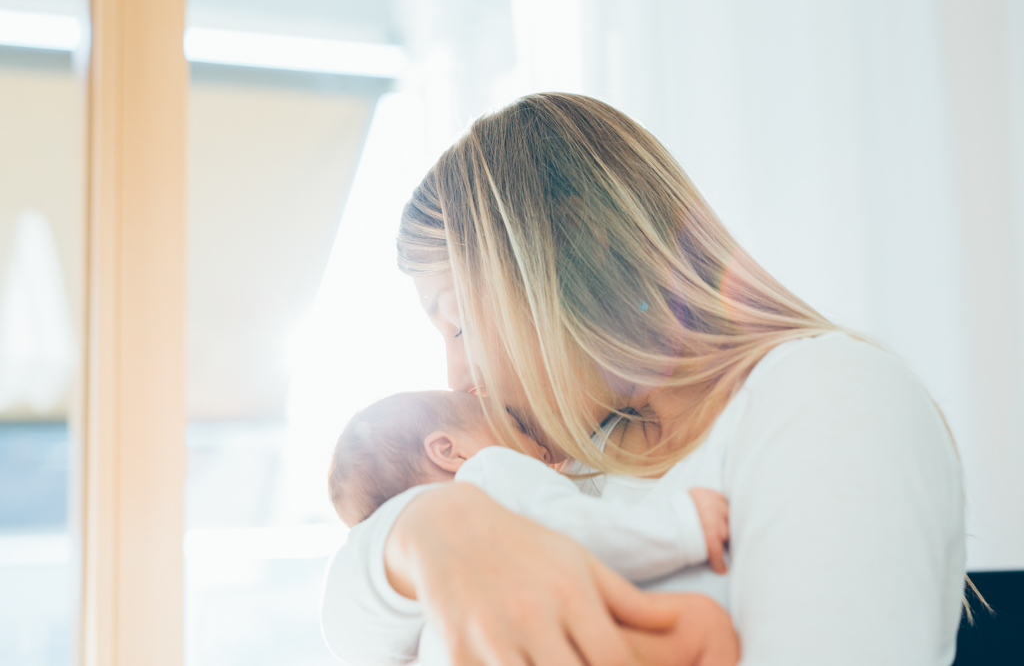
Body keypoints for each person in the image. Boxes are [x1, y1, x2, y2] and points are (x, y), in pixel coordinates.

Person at [321, 93, 966, 666]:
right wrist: (430, 532)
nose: (459, 378)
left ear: (584, 248)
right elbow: (351, 632)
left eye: (458, 324)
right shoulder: (569, 467)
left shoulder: (827, 398)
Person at [325, 389, 737, 665]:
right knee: (702, 626)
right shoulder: (489, 472)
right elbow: (581, 531)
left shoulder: (424, 597)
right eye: (518, 428)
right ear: (448, 451)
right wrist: (681, 527)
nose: (540, 448)